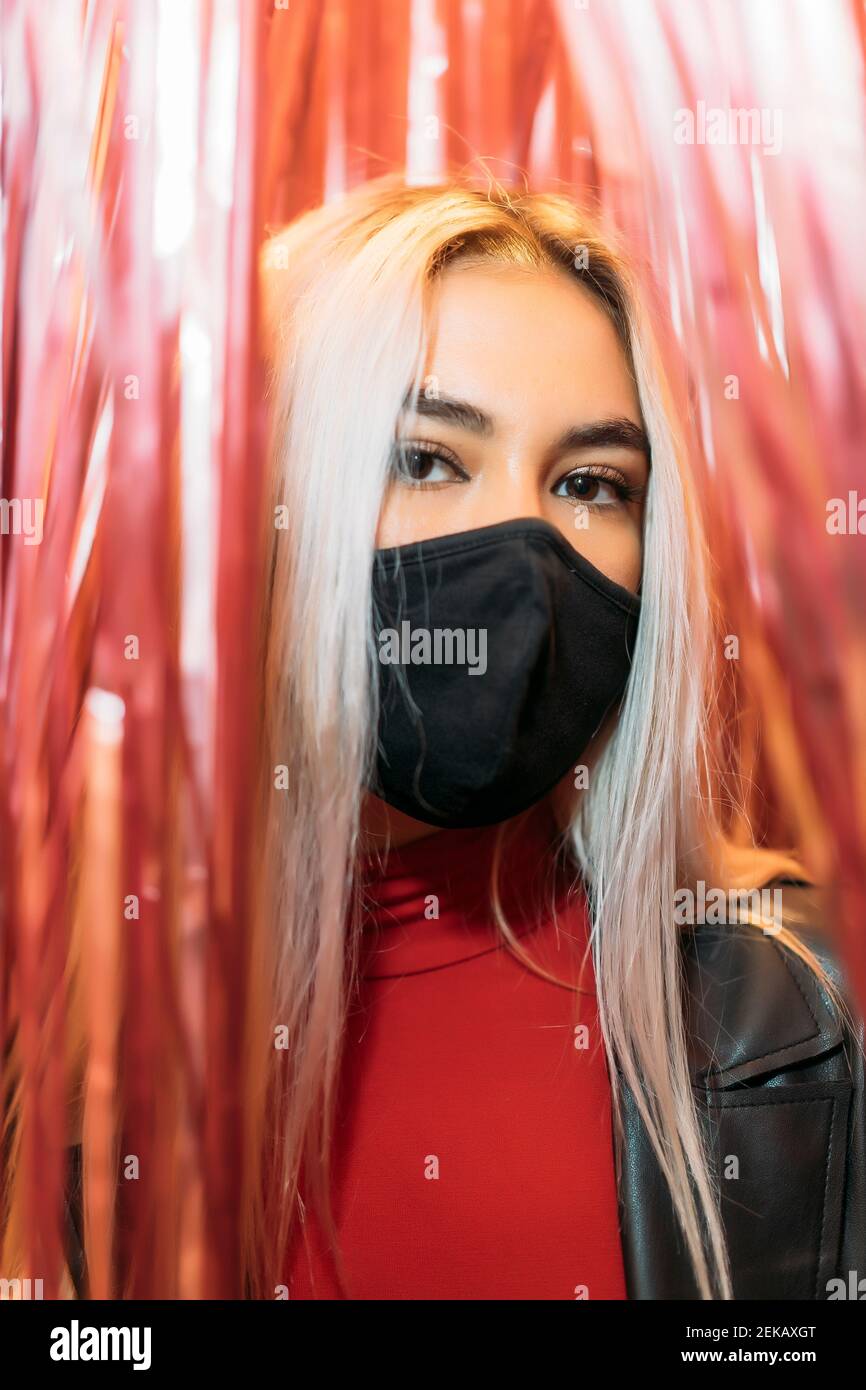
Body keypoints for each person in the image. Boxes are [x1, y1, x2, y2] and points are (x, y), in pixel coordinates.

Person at [255, 173, 865, 1301]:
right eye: (426, 457)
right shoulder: (83, 1041)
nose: (521, 547)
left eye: (589, 483)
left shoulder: (811, 1020)